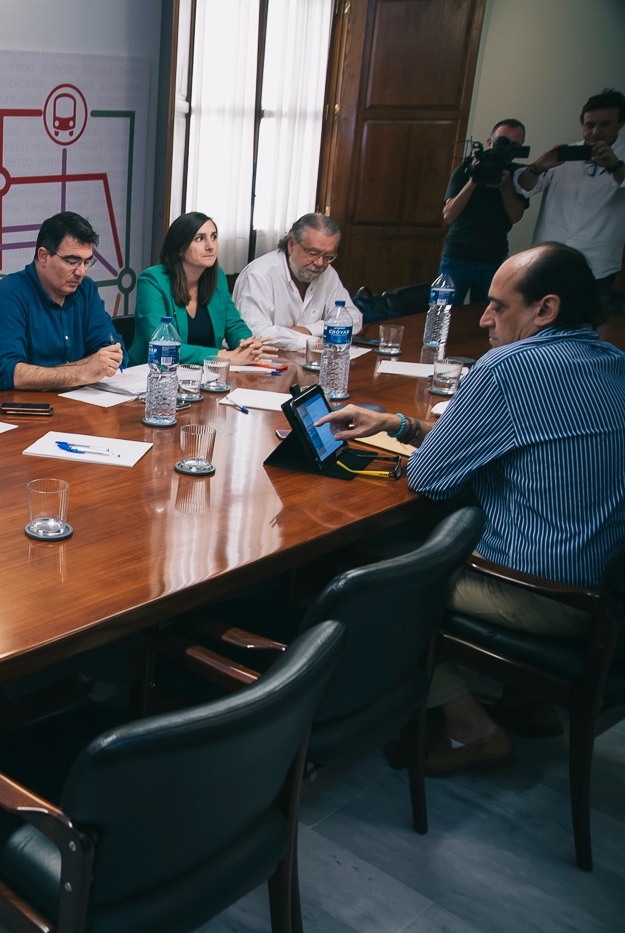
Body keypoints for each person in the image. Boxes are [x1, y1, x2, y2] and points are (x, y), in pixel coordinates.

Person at [316, 243, 625, 774]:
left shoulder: (510, 367)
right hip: (604, 583)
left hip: (545, 594)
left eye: (498, 306)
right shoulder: (614, 362)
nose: (483, 318)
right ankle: (527, 703)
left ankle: (469, 728)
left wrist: (421, 444)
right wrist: (400, 425)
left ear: (545, 309)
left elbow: (429, 477)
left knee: (372, 578)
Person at [0, 211, 124, 395]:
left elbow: (113, 352)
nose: (81, 272)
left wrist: (100, 364)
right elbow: (8, 373)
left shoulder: (86, 289)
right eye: (72, 261)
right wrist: (83, 372)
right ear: (44, 256)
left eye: (87, 262)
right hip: (12, 412)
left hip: (73, 405)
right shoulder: (7, 296)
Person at [131, 212, 278, 366]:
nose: (210, 246)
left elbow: (234, 325)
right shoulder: (152, 281)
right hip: (154, 374)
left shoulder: (217, 276)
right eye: (200, 239)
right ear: (180, 247)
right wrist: (224, 356)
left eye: (214, 237)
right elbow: (162, 345)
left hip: (205, 375)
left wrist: (247, 345)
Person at [515, 89, 625, 289]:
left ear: (620, 124)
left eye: (605, 124)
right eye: (589, 125)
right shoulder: (564, 154)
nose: (595, 131)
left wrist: (615, 166)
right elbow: (524, 187)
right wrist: (537, 167)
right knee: (541, 318)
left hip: (596, 265)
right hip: (548, 259)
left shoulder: (622, 158)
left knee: (587, 319)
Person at [232, 213, 361, 350]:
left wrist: (309, 330)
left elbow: (353, 318)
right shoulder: (259, 274)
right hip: (261, 361)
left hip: (306, 360)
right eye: (313, 253)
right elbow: (254, 332)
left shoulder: (328, 273)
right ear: (291, 244)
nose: (320, 263)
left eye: (328, 256)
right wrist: (312, 342)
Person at [438, 119, 529, 304]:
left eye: (514, 145)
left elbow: (516, 216)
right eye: (501, 142)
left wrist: (505, 186)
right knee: (441, 314)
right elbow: (449, 215)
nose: (505, 149)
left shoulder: (519, 175)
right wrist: (473, 180)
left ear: (520, 148)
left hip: (493, 259)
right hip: (457, 257)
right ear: (489, 142)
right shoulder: (467, 168)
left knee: (486, 319)